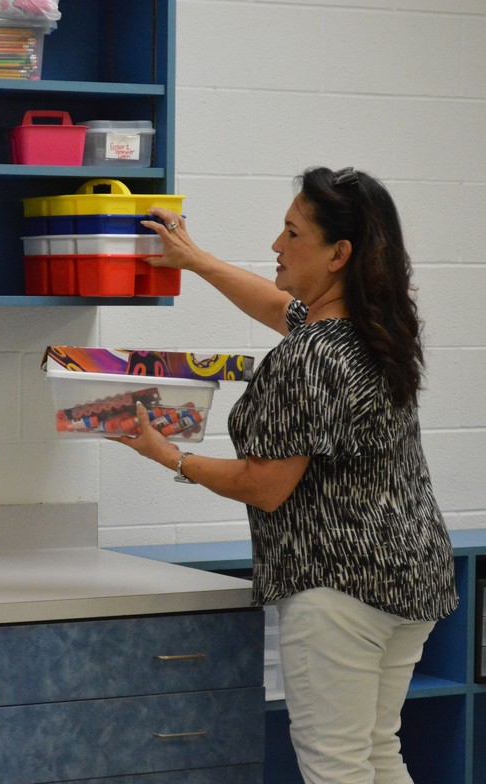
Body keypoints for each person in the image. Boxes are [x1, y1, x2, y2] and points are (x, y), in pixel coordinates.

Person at [114, 166, 458, 784]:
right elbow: (278, 306)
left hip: (340, 586)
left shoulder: (308, 358)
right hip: (413, 572)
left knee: (336, 766)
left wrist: (169, 456)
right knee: (378, 751)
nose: (276, 245)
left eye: (291, 233)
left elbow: (266, 486)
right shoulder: (376, 331)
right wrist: (194, 259)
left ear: (338, 254)